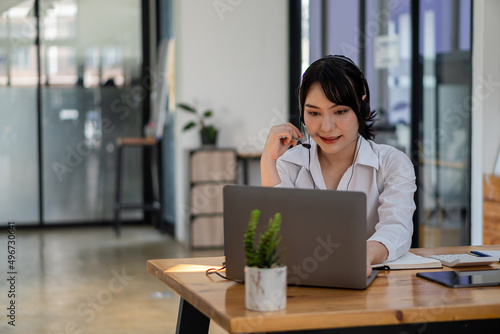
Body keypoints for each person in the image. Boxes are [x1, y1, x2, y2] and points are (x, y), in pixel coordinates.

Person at [261, 55, 416, 277]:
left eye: (340, 111)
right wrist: (267, 161)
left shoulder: (392, 163)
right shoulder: (289, 164)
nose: (327, 126)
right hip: (303, 285)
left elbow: (397, 227)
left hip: (373, 283)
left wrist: (364, 254)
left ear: (360, 108)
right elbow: (276, 234)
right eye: (314, 113)